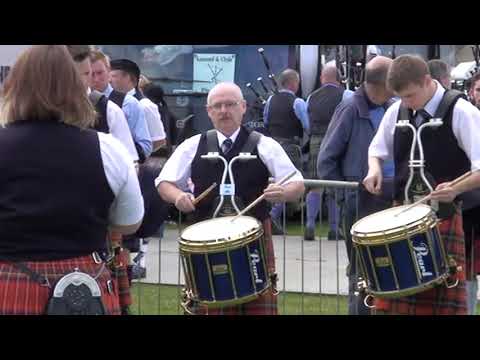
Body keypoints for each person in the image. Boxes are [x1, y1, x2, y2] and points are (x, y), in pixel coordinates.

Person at [0, 45, 144, 315]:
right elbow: (129, 222)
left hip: (7, 286)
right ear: (76, 87)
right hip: (85, 286)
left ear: (15, 85)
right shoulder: (109, 149)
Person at [156, 82, 305, 315]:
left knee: (257, 307)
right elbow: (164, 183)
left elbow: (297, 183)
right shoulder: (192, 145)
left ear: (243, 107)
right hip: (205, 242)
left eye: (230, 104)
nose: (224, 110)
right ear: (209, 110)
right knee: (208, 307)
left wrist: (284, 192)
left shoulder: (264, 144)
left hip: (253, 243)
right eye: (218, 106)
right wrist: (178, 197)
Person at [364, 54, 480, 315]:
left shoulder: (462, 111)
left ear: (428, 80)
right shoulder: (398, 110)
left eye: (410, 96)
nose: (406, 103)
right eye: (401, 97)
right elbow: (376, 149)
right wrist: (374, 170)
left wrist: (456, 188)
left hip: (444, 219)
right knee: (394, 303)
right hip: (401, 221)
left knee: (442, 305)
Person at [317, 56, 395, 314]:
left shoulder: (394, 106)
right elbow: (326, 160)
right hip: (360, 203)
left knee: (393, 269)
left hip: (393, 202)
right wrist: (345, 198)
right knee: (362, 272)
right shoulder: (350, 109)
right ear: (384, 82)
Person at [304, 64, 353, 241]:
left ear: (322, 78)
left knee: (315, 184)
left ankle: (310, 224)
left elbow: (307, 122)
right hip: (336, 140)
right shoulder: (346, 94)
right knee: (335, 185)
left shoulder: (311, 97)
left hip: (316, 140)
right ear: (339, 80)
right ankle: (334, 229)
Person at [66, 45, 138, 162]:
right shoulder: (43, 108)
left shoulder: (109, 110)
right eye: (72, 74)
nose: (80, 80)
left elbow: (130, 162)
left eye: (85, 73)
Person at [263, 68, 309, 234]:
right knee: (288, 181)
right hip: (290, 146)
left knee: (273, 182)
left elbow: (266, 121)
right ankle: (273, 216)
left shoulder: (270, 101)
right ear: (293, 83)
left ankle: (270, 216)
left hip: (272, 146)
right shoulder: (298, 102)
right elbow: (307, 126)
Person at [90, 50, 152, 163]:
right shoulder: (74, 101)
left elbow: (145, 146)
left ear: (109, 72)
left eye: (100, 73)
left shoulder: (129, 103)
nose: (96, 79)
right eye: (90, 74)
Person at [109, 59, 166, 153]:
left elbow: (159, 140)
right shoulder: (109, 101)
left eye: (113, 76)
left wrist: (140, 157)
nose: (109, 80)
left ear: (128, 78)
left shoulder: (145, 105)